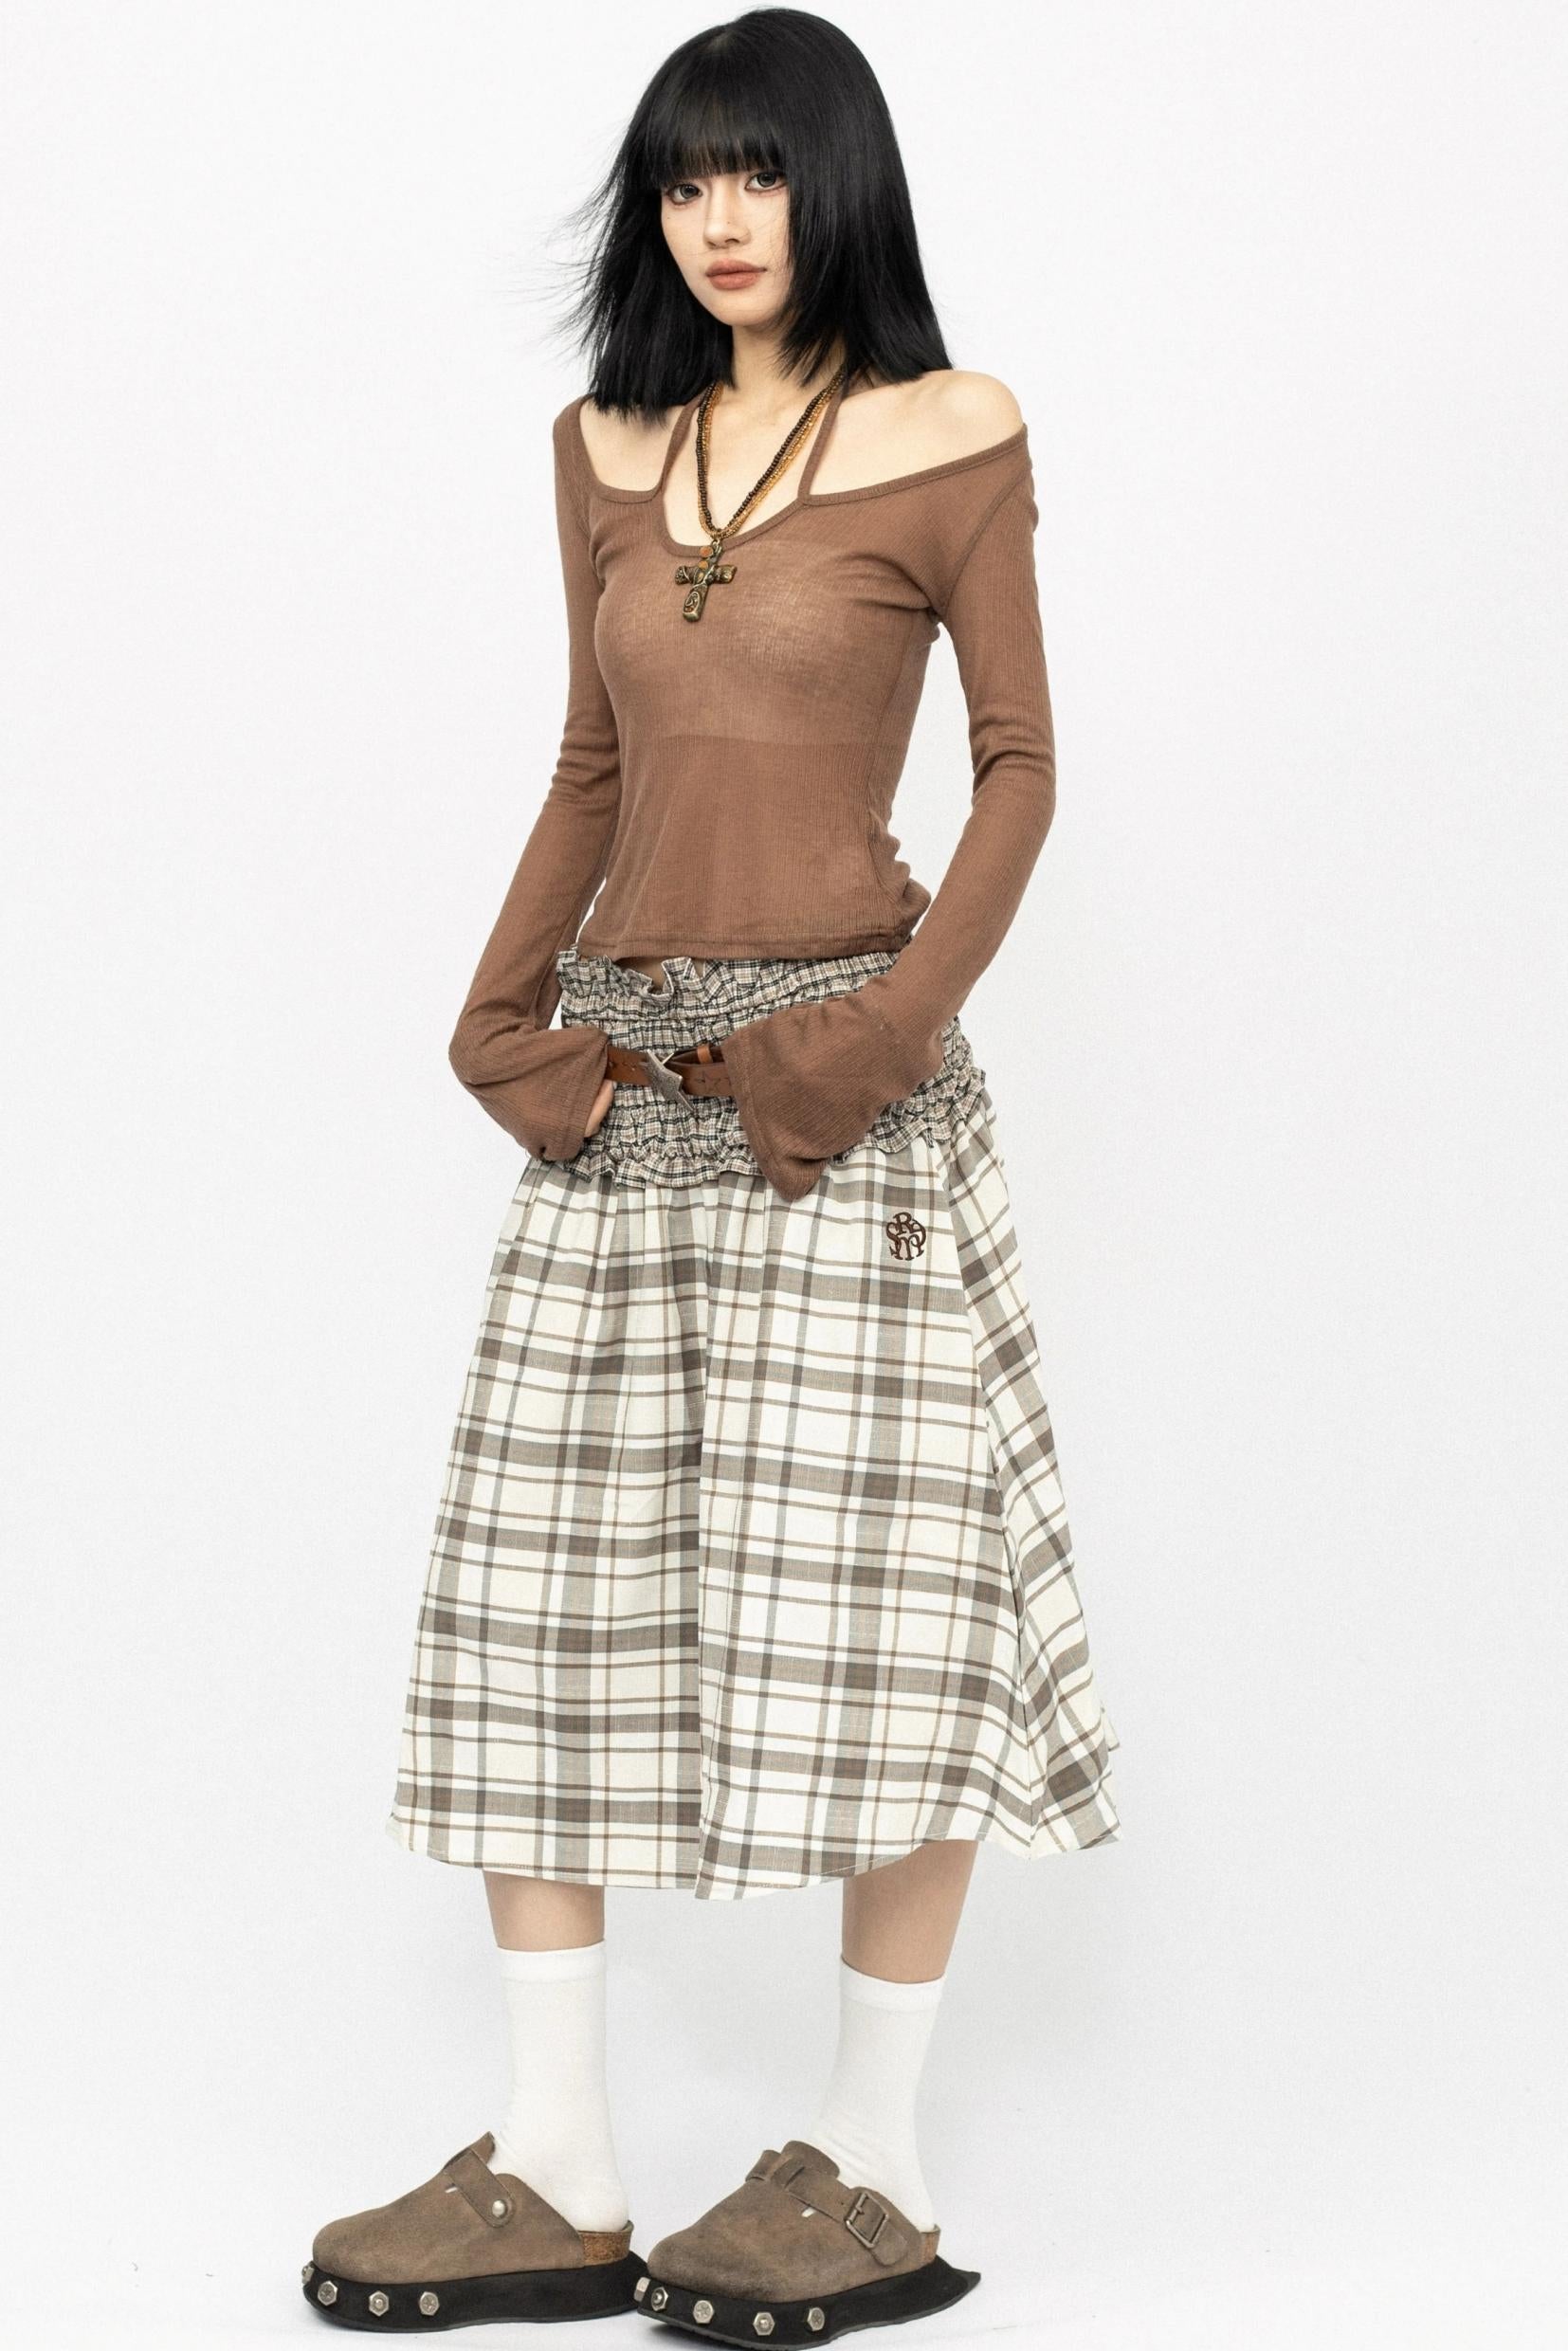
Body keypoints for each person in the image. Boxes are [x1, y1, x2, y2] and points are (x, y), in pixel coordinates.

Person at [302, 9, 1121, 2342]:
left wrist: (874, 1039)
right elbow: (587, 766)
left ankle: (873, 2156)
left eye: (756, 171)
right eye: (681, 180)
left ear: (832, 184)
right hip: (625, 1093)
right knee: (536, 1603)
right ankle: (560, 2163)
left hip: (835, 1106)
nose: (718, 218)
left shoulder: (953, 432)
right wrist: (496, 1020)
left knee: (891, 1615)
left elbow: (1021, 767)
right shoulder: (602, 445)